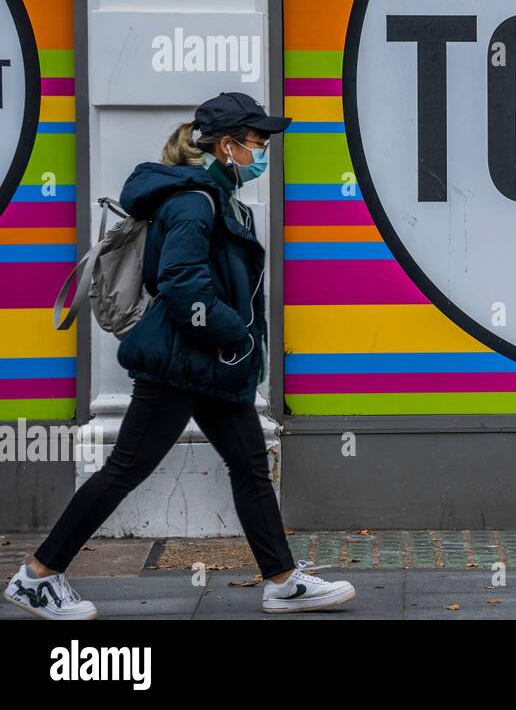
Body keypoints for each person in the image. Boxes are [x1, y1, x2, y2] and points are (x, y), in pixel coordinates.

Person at [4, 91, 355, 619]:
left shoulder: (216, 195)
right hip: (179, 362)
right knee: (125, 469)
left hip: (204, 362)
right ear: (228, 145)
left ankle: (283, 581)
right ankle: (37, 576)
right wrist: (234, 333)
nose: (264, 150)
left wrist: (231, 341)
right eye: (258, 141)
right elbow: (180, 281)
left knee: (249, 466)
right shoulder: (196, 201)